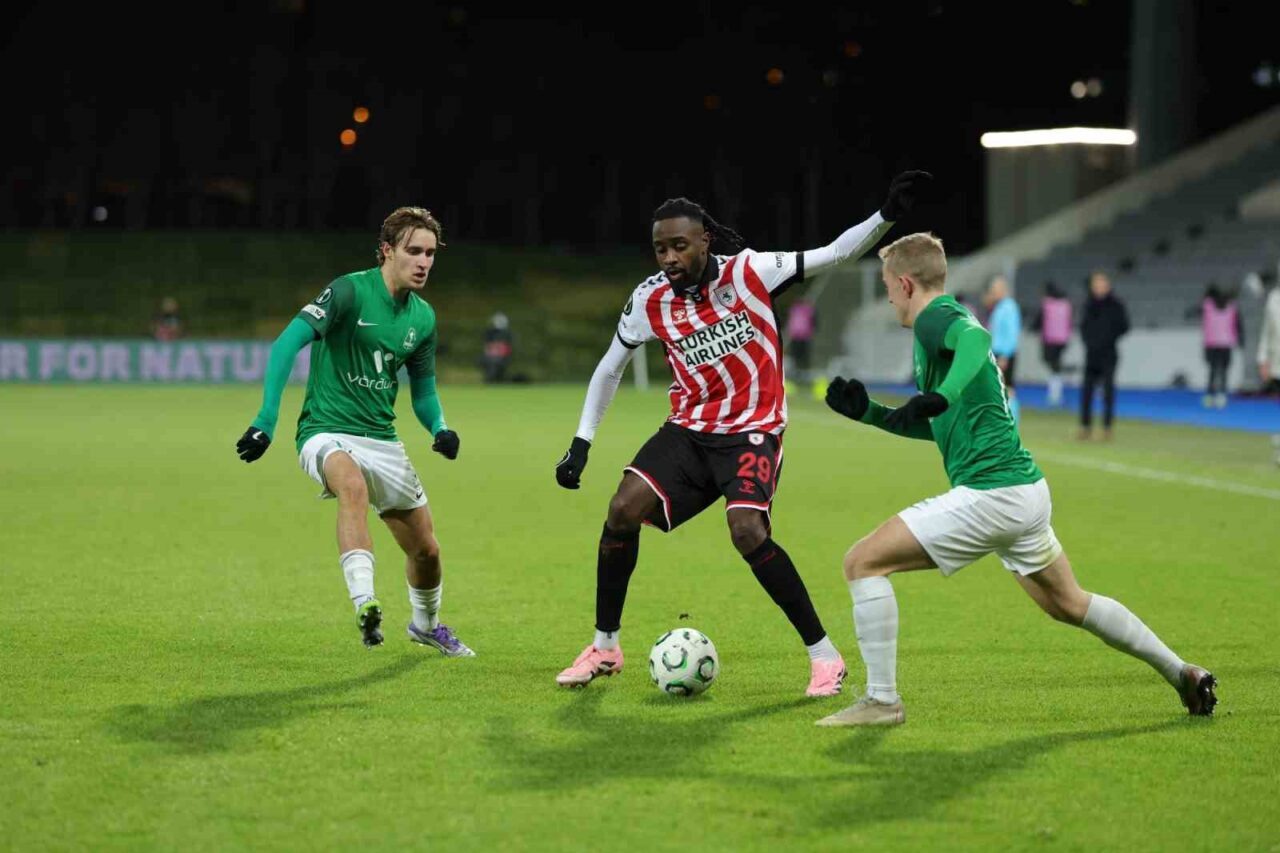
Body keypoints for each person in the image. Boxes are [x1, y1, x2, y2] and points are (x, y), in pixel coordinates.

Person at [551, 171, 933, 696]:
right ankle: (605, 646)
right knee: (621, 510)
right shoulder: (649, 300)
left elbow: (835, 252)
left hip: (752, 431)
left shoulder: (751, 271)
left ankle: (824, 655)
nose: (668, 258)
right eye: (660, 248)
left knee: (748, 532)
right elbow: (609, 367)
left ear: (705, 240)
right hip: (687, 431)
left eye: (679, 246)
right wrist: (581, 442)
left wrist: (886, 215)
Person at [816, 232, 1216, 727]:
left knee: (862, 563)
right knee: (1069, 604)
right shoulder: (938, 330)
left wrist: (944, 393)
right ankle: (1183, 673)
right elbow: (938, 424)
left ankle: (881, 701)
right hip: (1024, 493)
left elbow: (976, 341)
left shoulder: (937, 318)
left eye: (886, 286)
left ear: (903, 283)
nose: (887, 297)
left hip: (993, 494)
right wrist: (872, 414)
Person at [234, 206, 473, 656]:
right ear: (387, 251)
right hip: (326, 430)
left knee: (427, 552)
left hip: (382, 439)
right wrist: (265, 421)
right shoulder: (347, 291)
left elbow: (423, 392)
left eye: (430, 253)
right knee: (351, 485)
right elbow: (287, 342)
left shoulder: (423, 318)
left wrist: (440, 427)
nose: (424, 262)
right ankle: (365, 602)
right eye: (413, 251)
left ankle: (426, 625)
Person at [1078, 271, 1129, 440]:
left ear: (1108, 285)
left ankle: (1107, 428)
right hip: (1091, 355)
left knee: (1108, 391)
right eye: (1096, 284)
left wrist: (1109, 337)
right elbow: (1082, 327)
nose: (1099, 287)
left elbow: (1125, 326)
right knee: (1086, 391)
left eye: (1101, 284)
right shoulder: (1088, 305)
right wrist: (1089, 341)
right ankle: (1085, 427)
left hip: (1109, 354)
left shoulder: (1116, 305)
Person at [1196, 284, 1243, 409]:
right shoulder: (1231, 307)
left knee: (1214, 370)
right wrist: (1240, 339)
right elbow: (1238, 324)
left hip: (1213, 343)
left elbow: (1197, 311)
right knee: (1221, 371)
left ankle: (1212, 396)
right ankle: (1220, 396)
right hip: (1224, 343)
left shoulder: (1208, 305)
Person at [985, 275, 1021, 422]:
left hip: (1004, 354)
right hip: (996, 352)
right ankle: (1002, 420)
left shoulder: (1009, 307)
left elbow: (1012, 333)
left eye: (995, 290)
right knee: (999, 388)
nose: (993, 293)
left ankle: (1012, 421)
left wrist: (1005, 355)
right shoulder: (999, 307)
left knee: (1008, 388)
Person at [1032, 281, 1072, 407]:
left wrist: (1033, 328)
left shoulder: (1047, 304)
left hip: (1049, 339)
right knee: (1055, 366)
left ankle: (1054, 395)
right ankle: (1056, 391)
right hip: (1062, 340)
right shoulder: (1065, 304)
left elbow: (1039, 320)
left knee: (1052, 365)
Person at [785, 297, 818, 384]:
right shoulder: (794, 309)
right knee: (795, 356)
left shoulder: (809, 310)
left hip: (805, 337)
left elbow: (814, 322)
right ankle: (795, 374)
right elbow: (791, 321)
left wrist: (812, 331)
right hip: (796, 336)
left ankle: (804, 375)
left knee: (804, 357)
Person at [482, 311, 514, 383]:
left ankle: (496, 379)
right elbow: (487, 347)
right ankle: (490, 379)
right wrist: (491, 353)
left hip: (502, 357)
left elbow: (507, 349)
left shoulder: (507, 334)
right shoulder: (490, 333)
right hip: (491, 357)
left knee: (496, 364)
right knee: (490, 362)